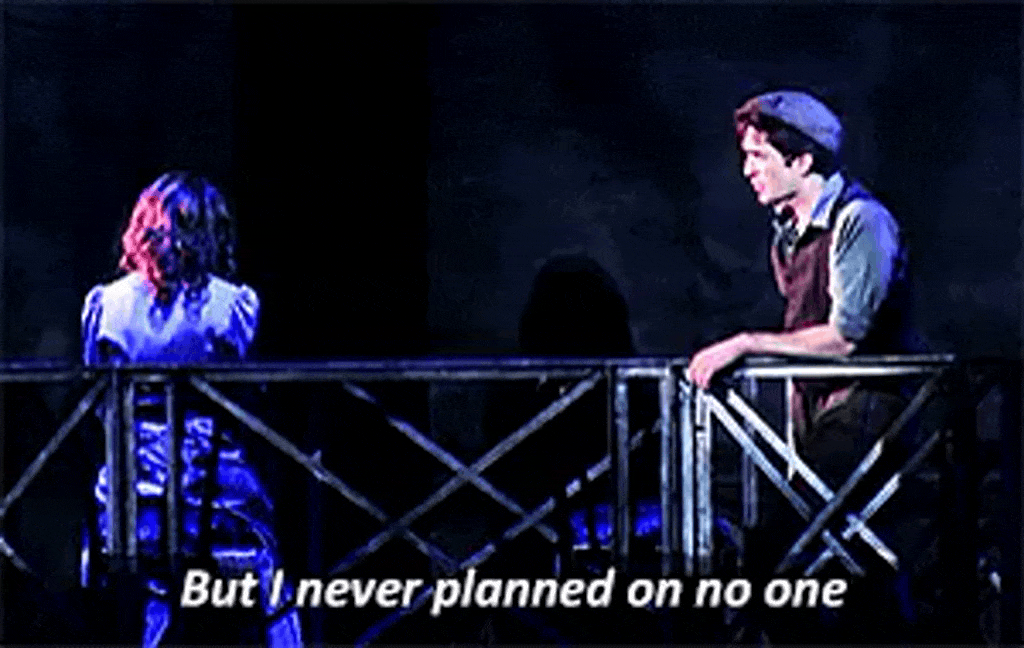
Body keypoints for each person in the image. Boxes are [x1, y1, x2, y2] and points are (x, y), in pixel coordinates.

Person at [685, 90, 924, 641]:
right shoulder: (787, 234)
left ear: (801, 159)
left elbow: (845, 338)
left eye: (758, 157)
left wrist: (745, 344)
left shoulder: (861, 221)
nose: (747, 171)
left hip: (868, 411)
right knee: (846, 566)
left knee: (778, 553)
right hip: (818, 411)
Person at [81, 171, 302, 647]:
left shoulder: (106, 306)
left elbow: (95, 398)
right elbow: (249, 399)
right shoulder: (232, 306)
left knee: (155, 579)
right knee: (270, 572)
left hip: (130, 493)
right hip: (214, 491)